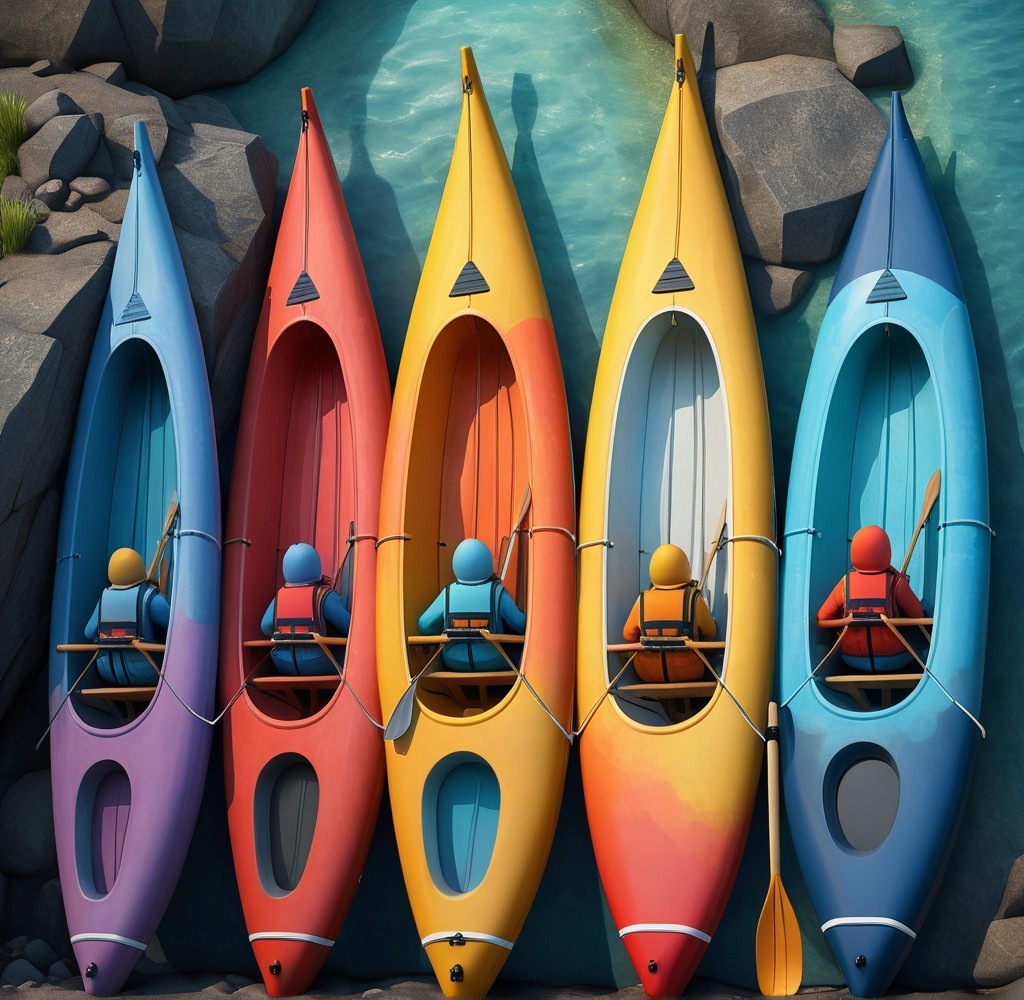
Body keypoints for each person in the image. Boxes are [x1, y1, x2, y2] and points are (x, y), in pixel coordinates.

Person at [817, 524, 925, 671]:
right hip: (895, 659)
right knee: (921, 636)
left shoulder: (845, 583)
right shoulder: (897, 583)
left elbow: (821, 618)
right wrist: (897, 574)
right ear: (887, 551)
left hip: (852, 659)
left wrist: (846, 621)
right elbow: (918, 614)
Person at [418, 538, 526, 672]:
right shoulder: (497, 591)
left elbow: (424, 625)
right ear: (487, 562)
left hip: (453, 662)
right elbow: (521, 625)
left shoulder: (448, 592)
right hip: (494, 661)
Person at [622, 543, 716, 683]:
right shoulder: (693, 599)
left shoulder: (642, 600)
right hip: (690, 671)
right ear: (684, 568)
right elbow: (711, 631)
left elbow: (628, 635)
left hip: (647, 673)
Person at [86, 547, 170, 686]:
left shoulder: (104, 598)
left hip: (109, 673)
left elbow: (88, 633)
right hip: (150, 672)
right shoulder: (149, 597)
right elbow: (172, 622)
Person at [261, 543, 350, 676]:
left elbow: (265, 627)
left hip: (283, 664)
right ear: (315, 565)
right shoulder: (324, 594)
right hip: (322, 663)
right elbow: (348, 626)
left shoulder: (279, 597)